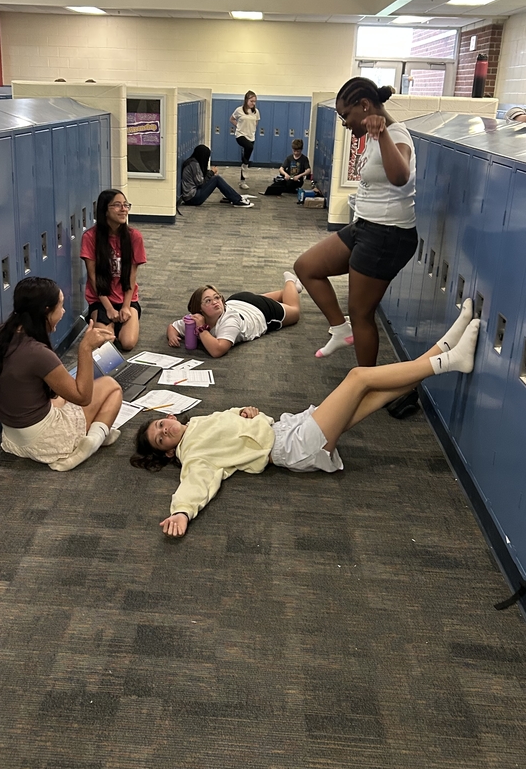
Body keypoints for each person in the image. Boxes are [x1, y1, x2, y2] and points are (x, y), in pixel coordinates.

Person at [133, 305, 480, 537]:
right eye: (161, 438)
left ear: (168, 416)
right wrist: (181, 513)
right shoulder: (192, 454)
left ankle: (445, 345)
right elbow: (195, 484)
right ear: (167, 453)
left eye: (160, 424)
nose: (165, 430)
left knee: (378, 396)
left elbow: (235, 427)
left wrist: (248, 413)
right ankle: (450, 361)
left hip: (285, 427)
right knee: (358, 378)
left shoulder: (197, 425)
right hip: (291, 448)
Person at [294, 77, 417, 365]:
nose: (344, 123)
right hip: (364, 225)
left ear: (365, 106)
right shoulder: (373, 137)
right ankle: (340, 329)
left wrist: (383, 134)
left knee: (362, 313)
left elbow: (400, 177)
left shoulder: (397, 135)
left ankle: (365, 384)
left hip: (388, 234)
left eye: (346, 115)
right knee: (306, 267)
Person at [0, 277, 122, 472]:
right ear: (46, 310)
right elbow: (83, 397)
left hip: (12, 437)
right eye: (61, 306)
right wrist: (85, 348)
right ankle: (92, 441)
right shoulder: (38, 353)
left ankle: (97, 430)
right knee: (111, 386)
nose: (63, 311)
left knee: (60, 399)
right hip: (44, 440)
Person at [166, 272, 302, 357]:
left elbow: (217, 350)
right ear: (199, 310)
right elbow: (173, 326)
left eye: (217, 297)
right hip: (238, 301)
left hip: (260, 311)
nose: (215, 302)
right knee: (277, 296)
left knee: (294, 311)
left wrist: (202, 329)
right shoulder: (195, 319)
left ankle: (290, 281)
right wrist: (172, 336)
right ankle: (290, 290)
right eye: (208, 301)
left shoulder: (230, 320)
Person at [80, 189, 147, 351]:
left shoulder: (134, 236)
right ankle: (106, 322)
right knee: (104, 345)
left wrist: (125, 306)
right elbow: (93, 276)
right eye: (117, 205)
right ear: (104, 210)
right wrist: (109, 309)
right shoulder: (90, 237)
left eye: (125, 205)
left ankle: (120, 324)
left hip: (126, 298)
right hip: (101, 300)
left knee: (128, 343)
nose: (123, 209)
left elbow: (132, 276)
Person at [180, 145, 254, 208]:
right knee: (216, 179)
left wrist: (210, 173)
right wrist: (211, 173)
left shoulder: (193, 162)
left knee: (215, 178)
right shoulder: (194, 164)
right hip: (193, 198)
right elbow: (200, 182)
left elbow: (201, 177)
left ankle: (231, 196)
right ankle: (237, 200)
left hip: (192, 196)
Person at [229, 91, 260, 182]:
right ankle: (245, 164)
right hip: (240, 135)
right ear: (246, 100)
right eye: (251, 101)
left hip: (251, 136)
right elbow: (232, 119)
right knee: (249, 148)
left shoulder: (256, 112)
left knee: (246, 158)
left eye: (255, 101)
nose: (253, 103)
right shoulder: (239, 110)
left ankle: (242, 181)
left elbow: (256, 122)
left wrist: (252, 129)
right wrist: (238, 125)